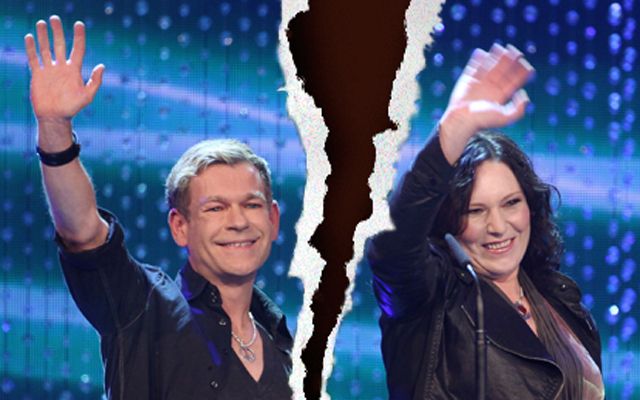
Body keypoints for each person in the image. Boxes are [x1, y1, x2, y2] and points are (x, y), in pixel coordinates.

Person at [25, 16, 293, 399]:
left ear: (273, 219)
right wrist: (55, 129)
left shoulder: (282, 344)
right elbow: (82, 232)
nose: (238, 221)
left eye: (251, 205)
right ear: (180, 226)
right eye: (215, 209)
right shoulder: (143, 306)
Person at [366, 44, 604, 399]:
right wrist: (454, 129)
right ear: (449, 220)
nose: (498, 226)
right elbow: (392, 246)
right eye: (475, 211)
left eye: (511, 203)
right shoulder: (433, 298)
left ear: (531, 208)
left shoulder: (559, 300)